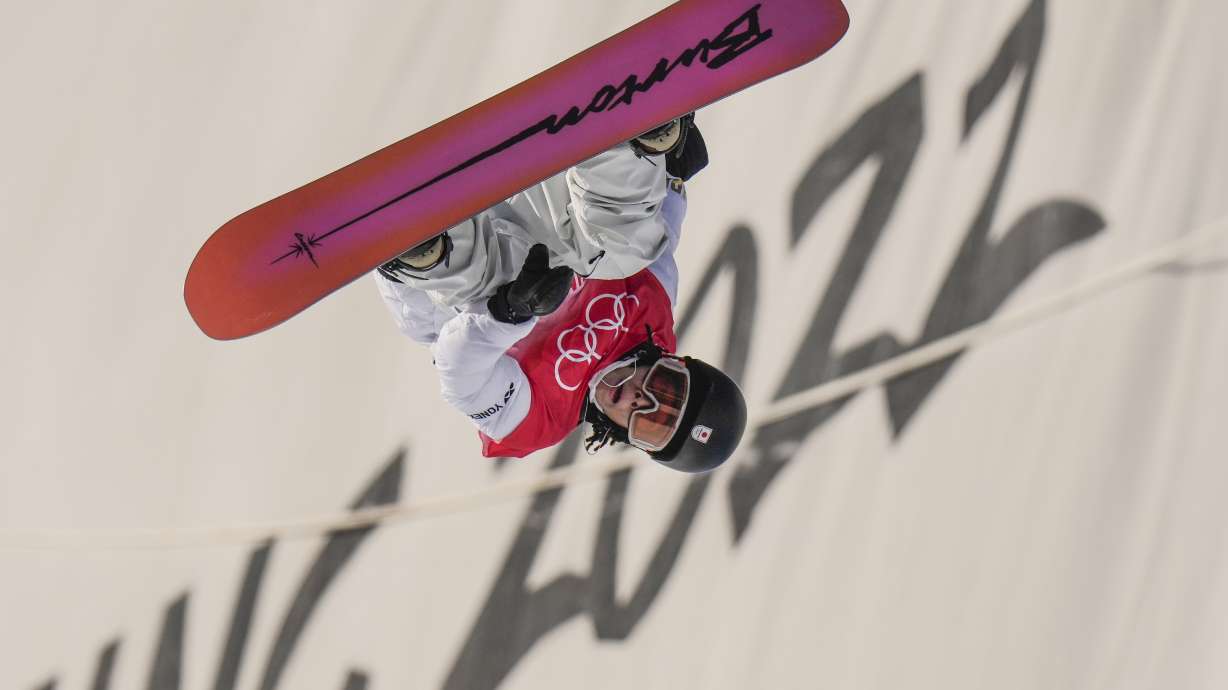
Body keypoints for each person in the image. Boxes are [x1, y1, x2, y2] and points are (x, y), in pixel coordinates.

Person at [375, 115, 747, 473]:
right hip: (524, 195)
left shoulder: (539, 422)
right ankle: (622, 131)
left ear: (633, 441)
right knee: (629, 252)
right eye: (666, 391)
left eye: (650, 425)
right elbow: (658, 232)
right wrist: (669, 170)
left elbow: (461, 375)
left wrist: (508, 314)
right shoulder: (652, 312)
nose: (640, 400)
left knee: (488, 290)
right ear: (676, 364)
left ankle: (423, 242)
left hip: (444, 271)